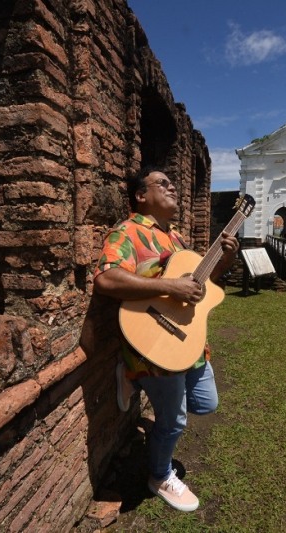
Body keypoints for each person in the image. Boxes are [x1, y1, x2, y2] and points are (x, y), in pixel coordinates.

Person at [93, 166, 239, 512]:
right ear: (141, 195)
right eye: (162, 183)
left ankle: (134, 379)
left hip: (190, 341)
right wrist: (170, 286)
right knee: (174, 421)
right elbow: (106, 279)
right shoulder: (127, 232)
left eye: (173, 183)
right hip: (155, 344)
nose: (172, 187)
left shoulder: (175, 238)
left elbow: (202, 285)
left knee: (206, 403)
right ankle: (159, 475)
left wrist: (226, 258)